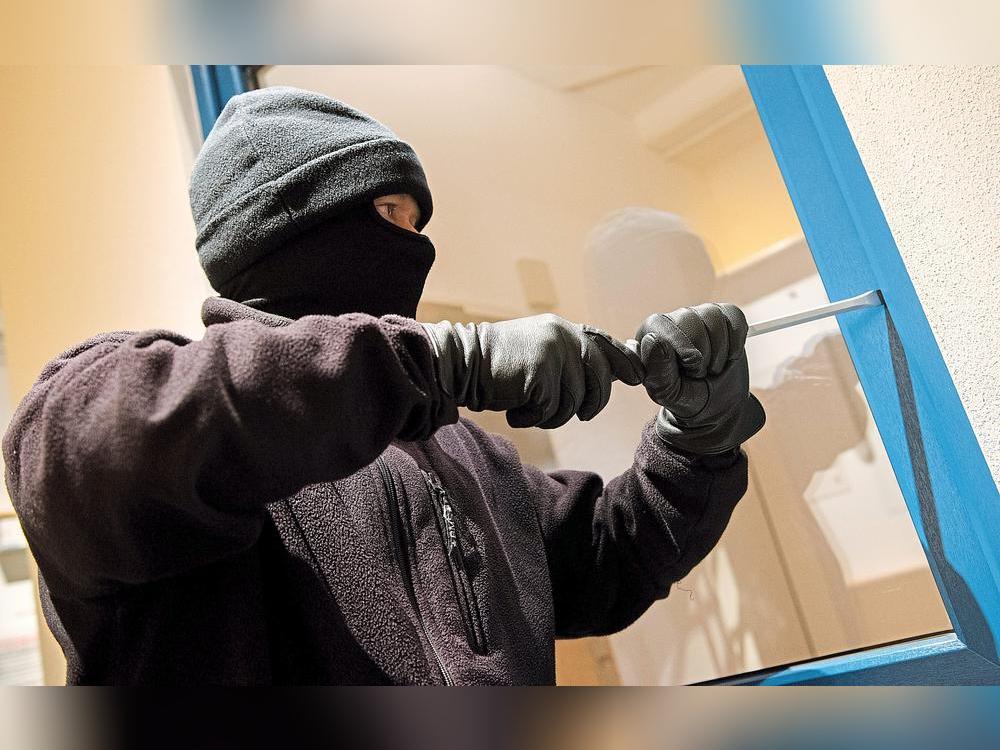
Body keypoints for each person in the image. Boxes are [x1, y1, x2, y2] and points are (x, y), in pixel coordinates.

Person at [2, 86, 764, 685]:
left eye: (416, 217)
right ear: (284, 226)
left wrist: (692, 443)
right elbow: (84, 450)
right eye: (388, 210)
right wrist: (436, 361)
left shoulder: (466, 454)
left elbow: (603, 559)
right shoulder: (163, 419)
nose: (414, 244)